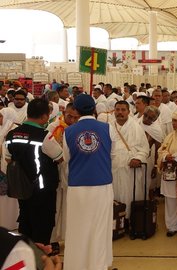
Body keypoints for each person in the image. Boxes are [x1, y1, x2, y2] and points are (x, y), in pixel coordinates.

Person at [63, 94, 113, 270]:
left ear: (75, 110)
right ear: (94, 109)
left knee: (78, 227)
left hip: (77, 186)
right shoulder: (108, 128)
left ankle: (77, 265)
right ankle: (98, 265)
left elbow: (66, 158)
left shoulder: (68, 132)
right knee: (99, 228)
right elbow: (111, 155)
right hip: (102, 184)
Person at [4, 99, 63, 245]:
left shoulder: (11, 134)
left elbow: (7, 159)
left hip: (21, 187)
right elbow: (60, 157)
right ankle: (41, 261)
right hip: (42, 189)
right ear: (44, 117)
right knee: (43, 223)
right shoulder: (44, 136)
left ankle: (27, 256)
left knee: (25, 219)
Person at [48, 103, 80, 248]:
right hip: (55, 172)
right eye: (69, 116)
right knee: (54, 207)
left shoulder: (79, 130)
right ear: (64, 112)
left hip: (73, 173)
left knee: (70, 208)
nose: (72, 120)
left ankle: (70, 238)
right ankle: (53, 240)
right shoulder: (53, 127)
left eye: (75, 117)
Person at [110, 101, 150, 219]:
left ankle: (131, 220)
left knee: (131, 195)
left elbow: (144, 148)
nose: (120, 113)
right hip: (114, 168)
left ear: (128, 111)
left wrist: (137, 158)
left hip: (130, 168)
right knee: (115, 194)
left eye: (123, 110)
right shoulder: (109, 127)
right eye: (117, 110)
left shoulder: (136, 128)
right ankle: (117, 222)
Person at [0, 107, 18, 230]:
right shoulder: (2, 129)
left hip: (11, 167)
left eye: (1, 116)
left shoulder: (15, 130)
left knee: (12, 196)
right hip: (2, 167)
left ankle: (12, 223)